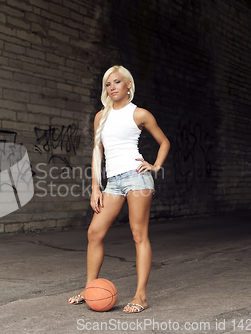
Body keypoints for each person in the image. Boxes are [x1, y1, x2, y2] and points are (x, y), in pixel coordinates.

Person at [68, 65, 170, 313]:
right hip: (113, 181)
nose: (112, 87)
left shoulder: (140, 114)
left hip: (137, 178)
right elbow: (97, 152)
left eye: (116, 82)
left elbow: (164, 141)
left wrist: (155, 166)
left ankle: (140, 296)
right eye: (107, 84)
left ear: (128, 85)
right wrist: (96, 187)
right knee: (95, 232)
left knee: (138, 235)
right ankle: (90, 287)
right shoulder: (100, 116)